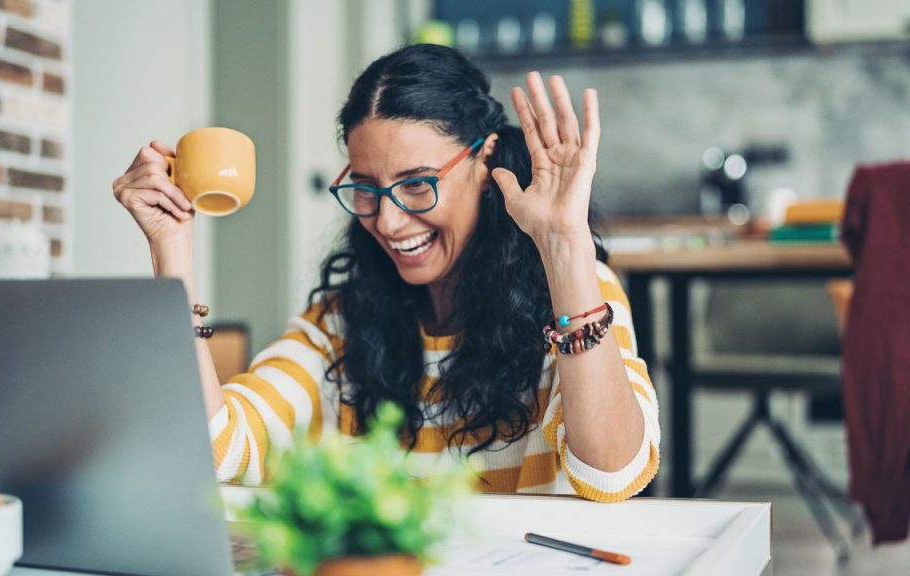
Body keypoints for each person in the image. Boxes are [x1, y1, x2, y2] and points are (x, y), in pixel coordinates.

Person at [113, 44, 659, 502]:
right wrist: (173, 253)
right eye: (367, 189)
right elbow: (220, 451)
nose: (390, 221)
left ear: (485, 161)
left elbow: (611, 474)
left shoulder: (575, 296)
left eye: (418, 183)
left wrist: (565, 247)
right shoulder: (340, 323)